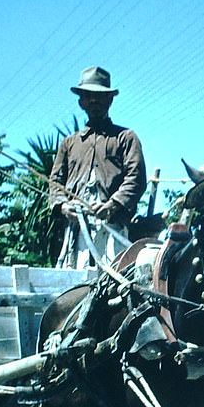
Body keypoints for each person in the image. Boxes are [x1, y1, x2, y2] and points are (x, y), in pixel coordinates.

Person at [49, 66, 147, 268]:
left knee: (115, 282)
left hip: (113, 227)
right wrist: (63, 206)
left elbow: (136, 179)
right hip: (77, 229)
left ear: (110, 100)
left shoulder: (126, 138)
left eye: (99, 96)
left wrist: (113, 204)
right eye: (88, 96)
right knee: (75, 282)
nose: (94, 101)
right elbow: (55, 183)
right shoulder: (69, 143)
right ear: (81, 101)